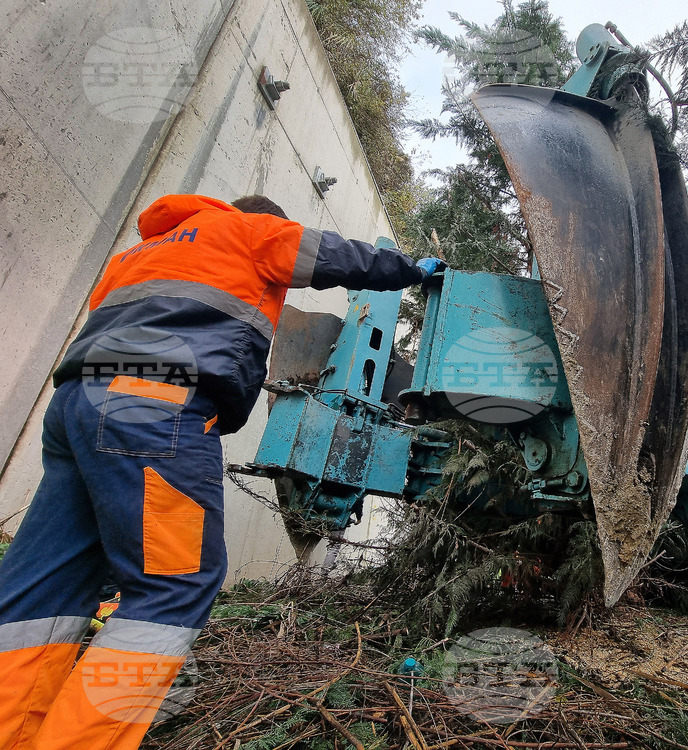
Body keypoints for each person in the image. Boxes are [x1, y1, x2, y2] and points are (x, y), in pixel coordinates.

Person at [0, 194, 445, 749]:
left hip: (74, 409)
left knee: (40, 588)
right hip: (153, 408)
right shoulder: (250, 232)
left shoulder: (139, 252)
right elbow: (335, 256)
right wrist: (410, 269)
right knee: (172, 589)